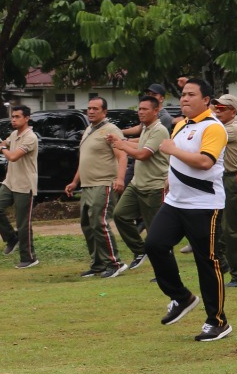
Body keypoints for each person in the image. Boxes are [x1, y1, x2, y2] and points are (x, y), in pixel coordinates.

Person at [147, 79, 232, 341]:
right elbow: (180, 161)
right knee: (154, 245)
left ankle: (217, 321)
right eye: (183, 94)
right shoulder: (181, 125)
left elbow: (205, 162)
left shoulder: (214, 128)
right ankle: (181, 297)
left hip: (204, 205)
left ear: (206, 100)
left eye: (191, 94)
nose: (184, 99)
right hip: (175, 202)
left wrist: (172, 150)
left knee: (207, 262)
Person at [109, 96, 171, 274]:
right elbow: (140, 143)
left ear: (156, 110)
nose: (141, 112)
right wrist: (121, 140)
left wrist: (121, 146)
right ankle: (140, 250)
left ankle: (165, 270)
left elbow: (143, 154)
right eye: (140, 109)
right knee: (120, 214)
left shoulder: (159, 130)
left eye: (145, 109)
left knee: (156, 232)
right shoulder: (146, 129)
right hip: (137, 184)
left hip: (154, 187)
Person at [64, 96, 124, 278]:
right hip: (87, 185)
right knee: (87, 225)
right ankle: (98, 263)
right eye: (89, 108)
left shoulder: (111, 130)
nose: (90, 111)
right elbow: (84, 161)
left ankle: (114, 263)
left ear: (104, 112)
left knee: (99, 222)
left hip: (103, 183)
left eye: (95, 109)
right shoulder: (89, 130)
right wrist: (75, 182)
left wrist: (120, 179)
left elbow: (122, 156)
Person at [0, 105, 39, 268]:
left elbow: (14, 157)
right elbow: (6, 142)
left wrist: (2, 148)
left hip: (25, 184)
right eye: (13, 117)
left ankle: (29, 257)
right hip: (10, 182)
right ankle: (11, 238)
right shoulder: (14, 134)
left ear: (26, 118)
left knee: (22, 223)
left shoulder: (30, 137)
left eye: (17, 117)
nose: (14, 120)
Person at [213, 94, 237, 287]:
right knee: (217, 226)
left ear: (233, 111)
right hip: (219, 179)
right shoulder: (218, 126)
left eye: (222, 108)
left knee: (233, 227)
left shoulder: (233, 128)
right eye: (216, 107)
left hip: (232, 177)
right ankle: (225, 264)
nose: (217, 111)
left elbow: (211, 137)